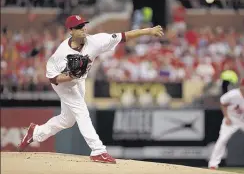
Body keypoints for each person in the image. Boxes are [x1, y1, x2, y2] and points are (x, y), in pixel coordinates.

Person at [18, 15, 164, 163]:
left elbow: (124, 36)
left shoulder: (95, 41)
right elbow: (52, 78)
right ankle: (98, 150)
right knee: (82, 111)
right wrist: (69, 77)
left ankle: (36, 133)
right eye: (79, 27)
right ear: (71, 31)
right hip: (63, 83)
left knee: (67, 120)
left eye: (84, 25)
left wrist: (148, 31)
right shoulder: (61, 53)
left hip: (79, 81)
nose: (83, 29)